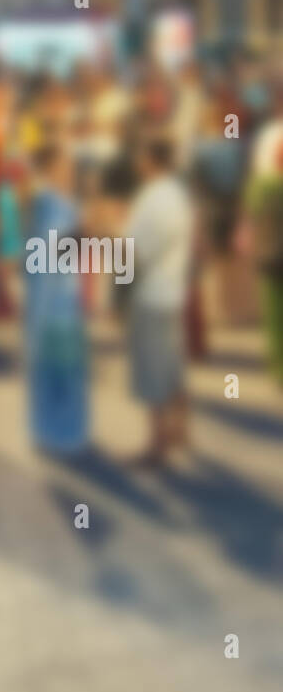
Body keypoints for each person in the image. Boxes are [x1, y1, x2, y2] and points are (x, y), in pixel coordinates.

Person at [125, 137, 195, 465]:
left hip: (151, 292)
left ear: (151, 160)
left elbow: (138, 252)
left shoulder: (152, 198)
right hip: (174, 288)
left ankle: (157, 443)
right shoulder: (179, 194)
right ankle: (180, 430)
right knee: (172, 365)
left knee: (154, 369)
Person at [24, 145, 89, 454]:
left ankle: (68, 430)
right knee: (54, 368)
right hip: (50, 300)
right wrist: (82, 234)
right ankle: (53, 431)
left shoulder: (68, 204)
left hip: (67, 296)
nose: (69, 172)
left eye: (70, 166)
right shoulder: (46, 204)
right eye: (64, 166)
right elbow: (49, 253)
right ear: (50, 170)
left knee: (68, 368)